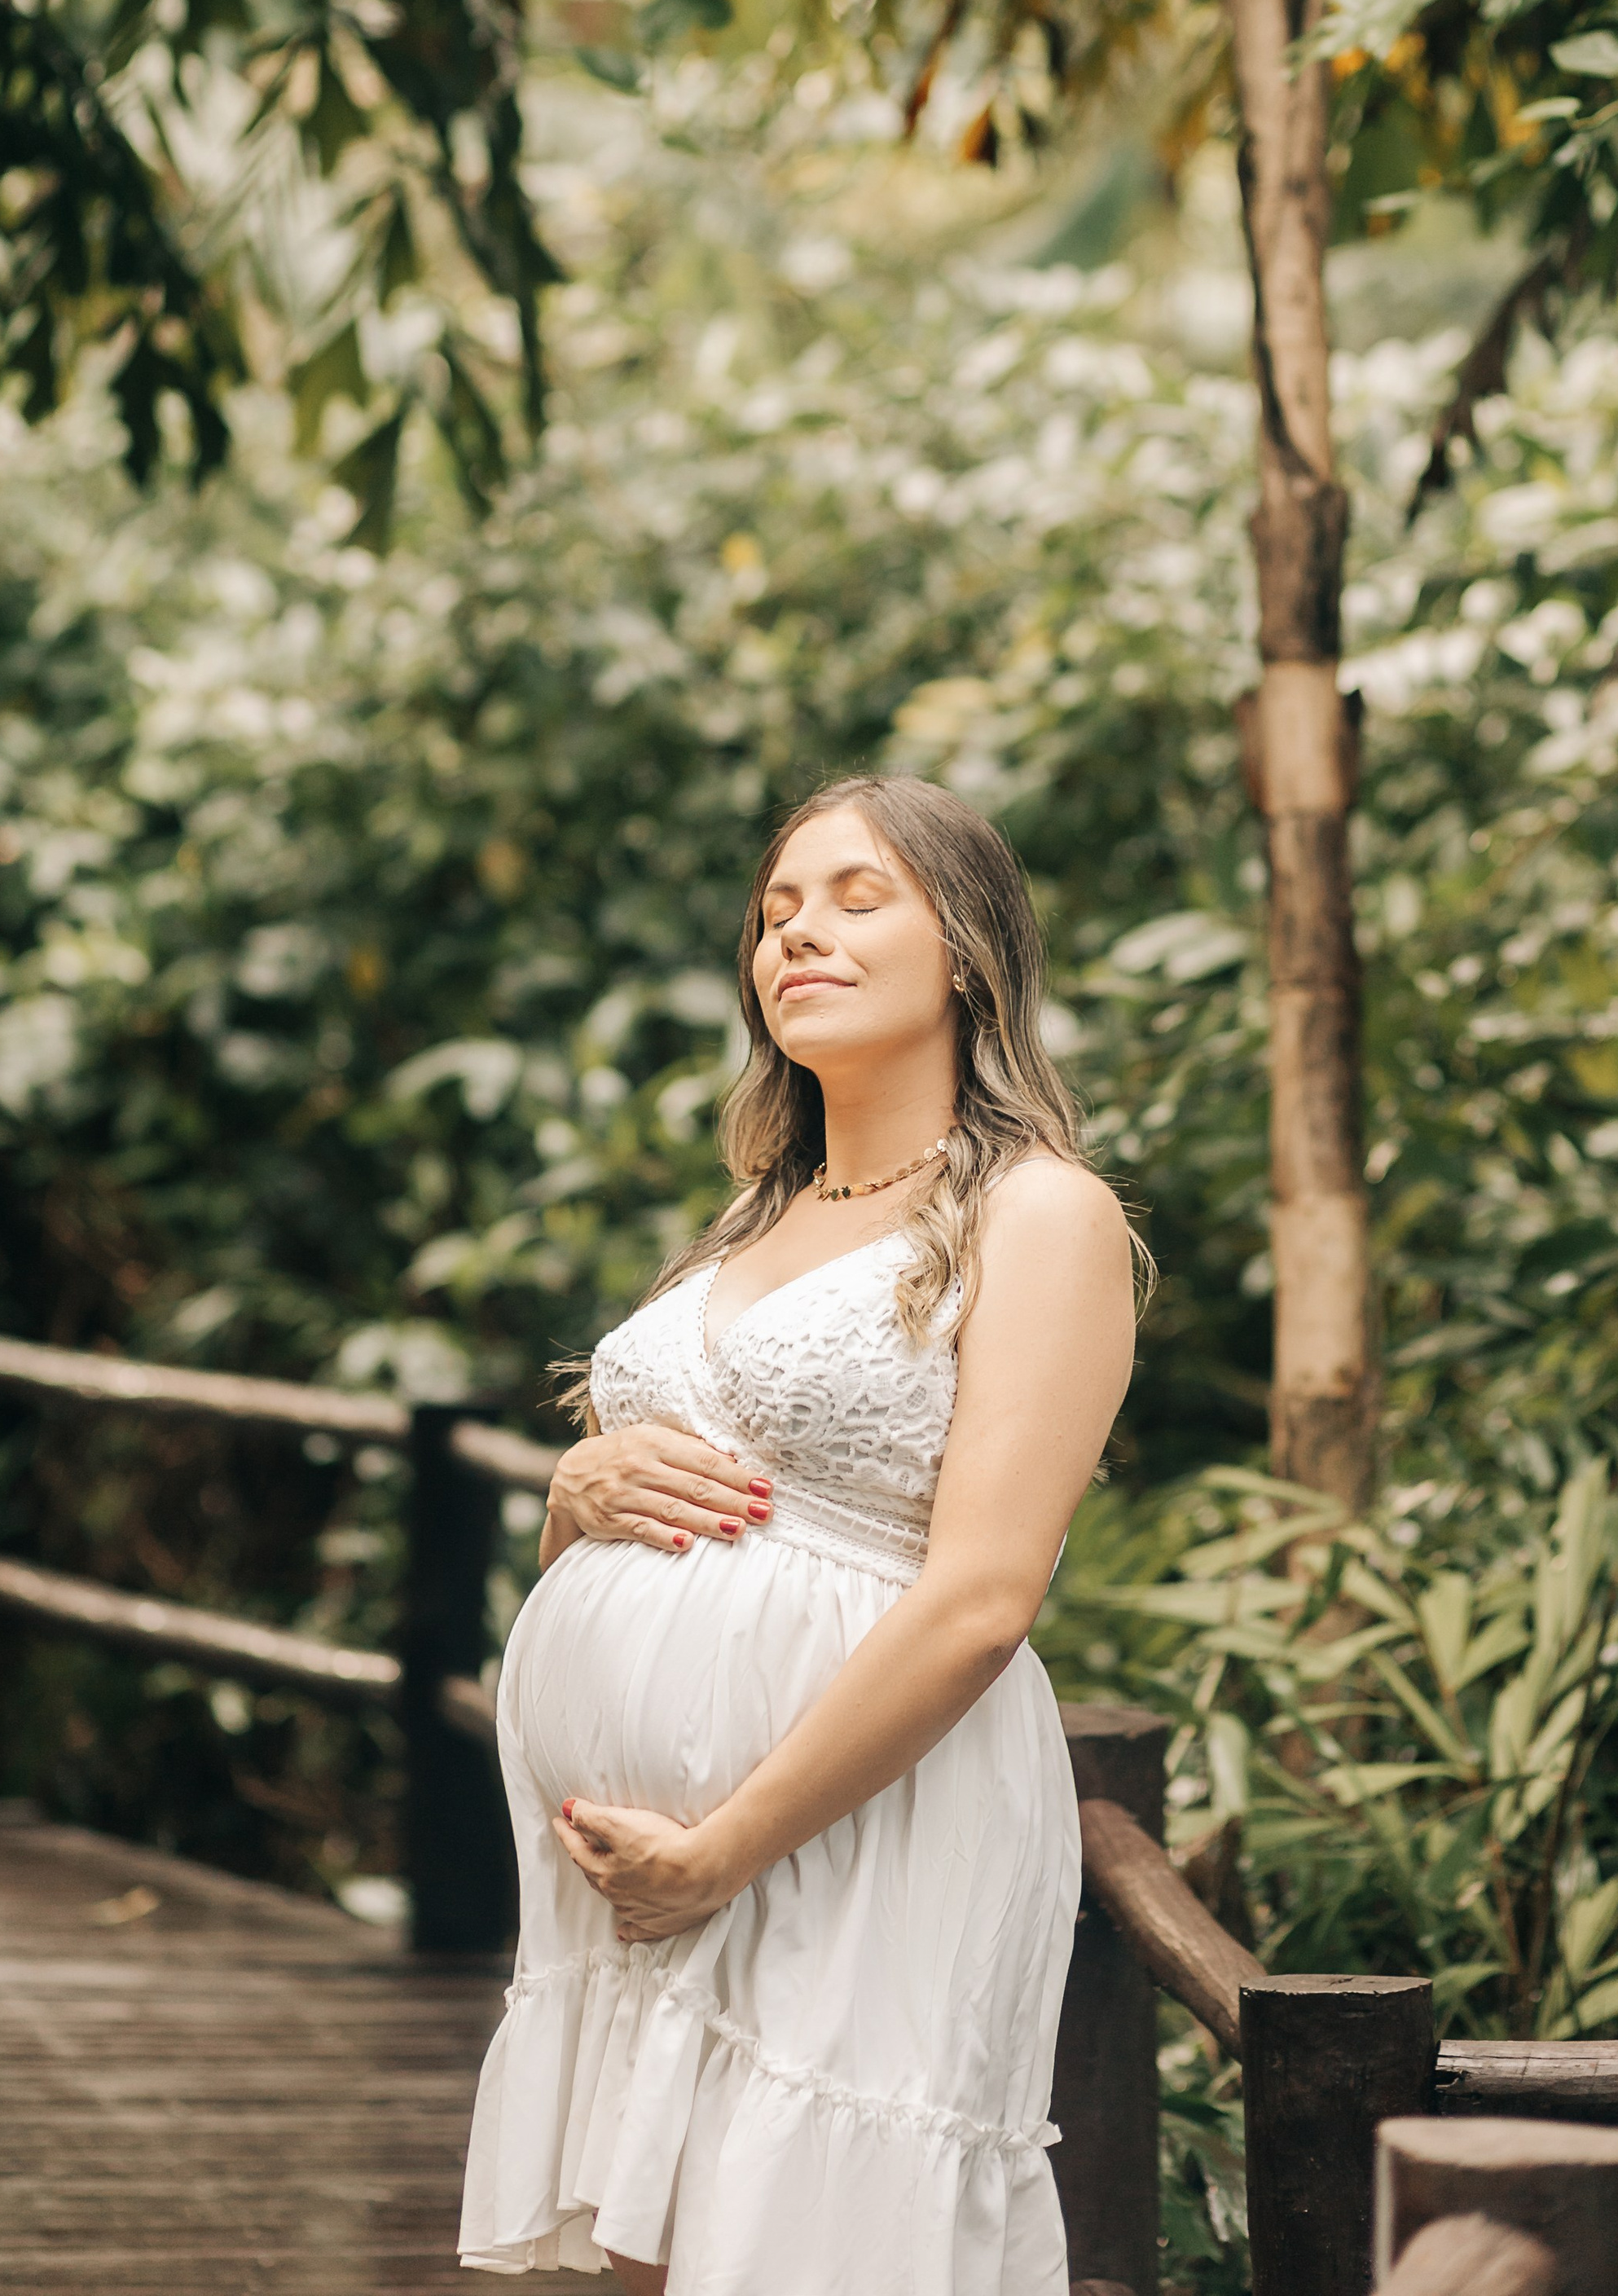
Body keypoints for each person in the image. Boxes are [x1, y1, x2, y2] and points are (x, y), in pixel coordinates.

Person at [459, 773, 1140, 2295]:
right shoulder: (751, 1221)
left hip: (857, 1832)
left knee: (815, 2246)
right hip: (645, 1872)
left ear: (965, 949)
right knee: (666, 2250)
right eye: (775, 913)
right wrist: (575, 1502)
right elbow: (648, 1540)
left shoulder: (1042, 1216)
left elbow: (981, 1599)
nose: (797, 937)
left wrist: (725, 1849)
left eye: (854, 898)